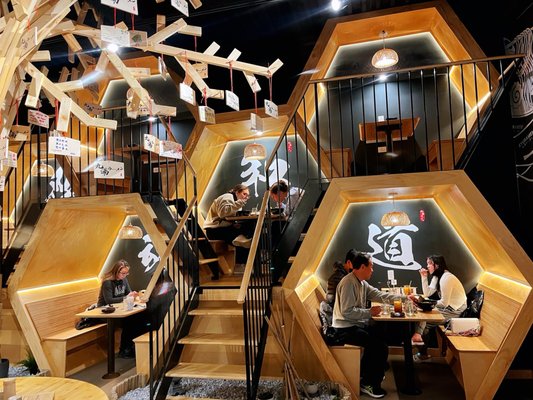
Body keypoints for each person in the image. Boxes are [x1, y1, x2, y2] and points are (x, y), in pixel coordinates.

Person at [332, 251, 404, 399]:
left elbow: (380, 295)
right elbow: (347, 312)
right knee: (379, 347)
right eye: (371, 266)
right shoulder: (348, 283)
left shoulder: (362, 283)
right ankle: (369, 383)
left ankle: (367, 374)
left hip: (354, 325)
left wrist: (405, 298)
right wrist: (369, 312)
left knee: (380, 335)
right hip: (343, 329)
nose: (372, 270)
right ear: (363, 267)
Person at [411, 254, 467, 361]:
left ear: (437, 265)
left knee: (425, 322)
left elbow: (444, 302)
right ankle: (418, 339)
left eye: (429, 264)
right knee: (423, 316)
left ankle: (421, 351)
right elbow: (427, 293)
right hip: (448, 307)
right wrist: (424, 277)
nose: (427, 266)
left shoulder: (447, 278)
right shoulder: (437, 277)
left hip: (455, 309)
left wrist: (426, 304)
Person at [97, 259, 147, 359]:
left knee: (139, 318)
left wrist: (133, 295)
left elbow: (128, 293)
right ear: (116, 271)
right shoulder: (107, 282)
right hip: (105, 313)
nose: (124, 275)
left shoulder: (124, 280)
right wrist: (126, 297)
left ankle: (130, 347)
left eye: (126, 273)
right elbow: (109, 300)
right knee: (129, 321)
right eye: (123, 273)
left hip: (120, 310)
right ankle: (124, 350)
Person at [204, 184, 253, 266]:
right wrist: (238, 204)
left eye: (247, 196)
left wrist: (235, 223)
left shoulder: (235, 202)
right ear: (237, 192)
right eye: (244, 194)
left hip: (222, 229)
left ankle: (245, 261)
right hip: (214, 231)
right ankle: (241, 241)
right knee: (246, 237)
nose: (246, 197)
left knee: (246, 229)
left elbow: (229, 217)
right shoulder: (227, 197)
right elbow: (223, 213)